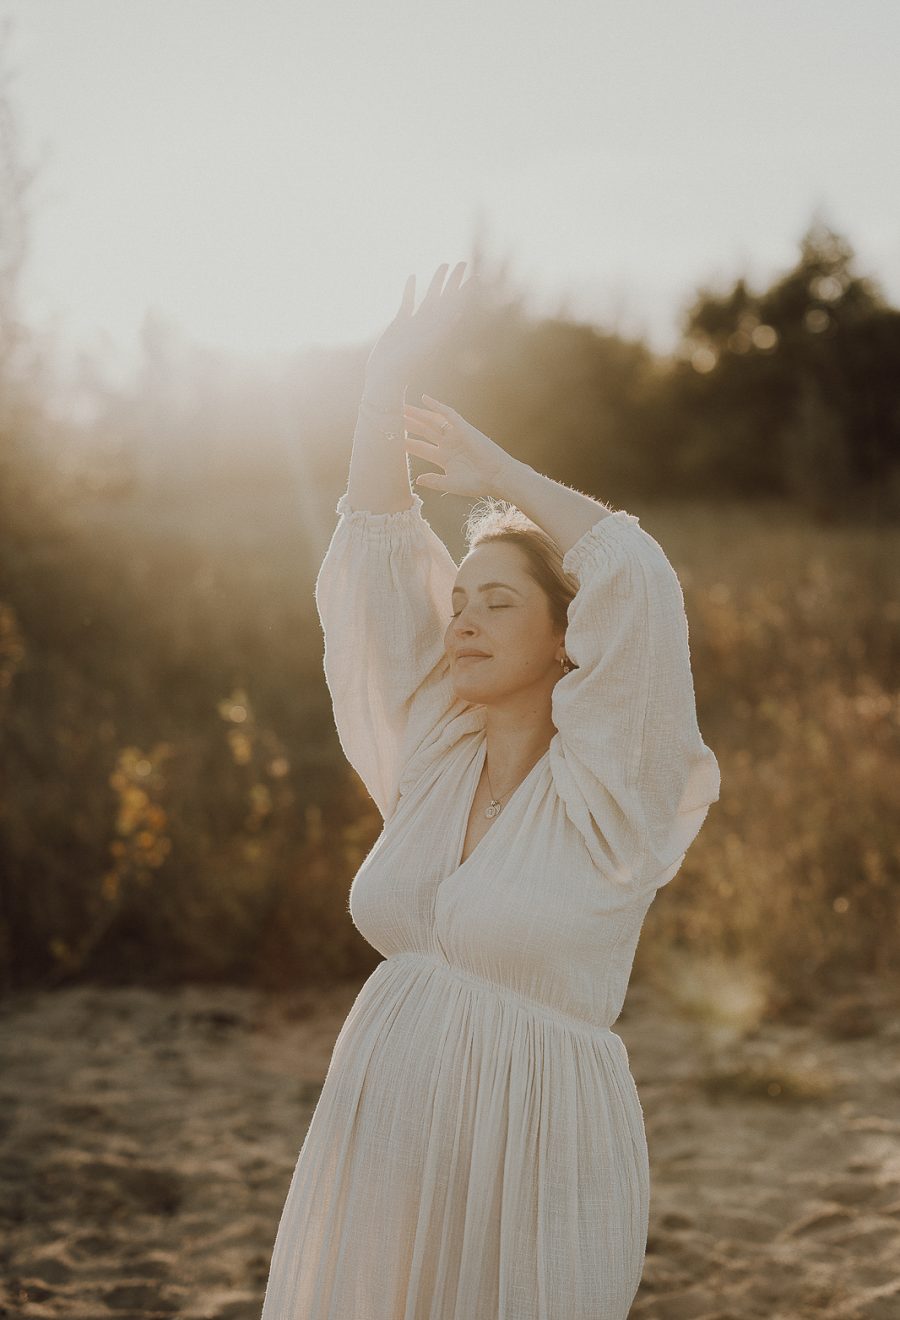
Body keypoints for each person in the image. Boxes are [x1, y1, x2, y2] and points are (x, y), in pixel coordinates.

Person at [259, 262, 721, 1319]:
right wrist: (380, 393)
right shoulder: (432, 751)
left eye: (498, 602)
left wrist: (499, 474)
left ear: (567, 639)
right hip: (383, 1136)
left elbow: (635, 576)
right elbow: (377, 554)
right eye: (460, 600)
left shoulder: (610, 792)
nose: (461, 618)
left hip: (538, 1150)